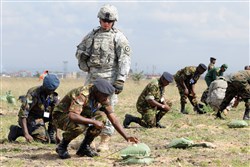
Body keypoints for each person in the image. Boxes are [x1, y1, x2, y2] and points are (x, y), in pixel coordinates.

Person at [75, 4, 131, 152]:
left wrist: (120, 80)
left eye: (109, 21)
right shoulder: (91, 35)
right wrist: (84, 62)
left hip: (109, 79)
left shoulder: (119, 37)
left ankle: (105, 140)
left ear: (114, 22)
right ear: (99, 20)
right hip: (92, 78)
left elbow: (125, 60)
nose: (106, 23)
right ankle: (89, 140)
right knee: (87, 109)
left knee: (108, 109)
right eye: (104, 21)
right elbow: (79, 52)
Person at [52, 79, 138, 159]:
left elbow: (113, 119)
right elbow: (73, 116)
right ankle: (62, 146)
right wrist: (93, 121)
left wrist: (126, 137)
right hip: (60, 117)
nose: (106, 99)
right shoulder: (83, 94)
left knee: (102, 117)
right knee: (80, 126)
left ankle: (84, 147)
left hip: (80, 114)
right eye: (105, 96)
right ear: (97, 92)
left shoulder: (101, 96)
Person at [8, 74, 60, 143]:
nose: (51, 92)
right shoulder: (33, 94)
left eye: (53, 90)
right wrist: (26, 134)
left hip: (43, 116)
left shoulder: (53, 96)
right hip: (31, 118)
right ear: (44, 86)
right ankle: (17, 131)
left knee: (55, 113)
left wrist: (57, 134)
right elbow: (23, 115)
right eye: (49, 90)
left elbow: (56, 115)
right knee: (43, 140)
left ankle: (51, 134)